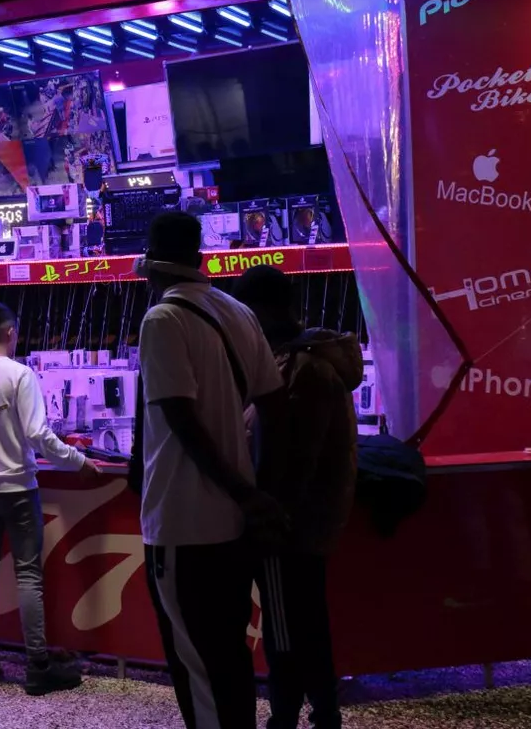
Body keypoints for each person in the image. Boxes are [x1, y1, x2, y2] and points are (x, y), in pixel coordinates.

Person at [132, 210, 286, 729]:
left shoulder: (162, 320)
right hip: (233, 530)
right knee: (228, 655)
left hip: (183, 523)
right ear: (199, 258)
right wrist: (255, 490)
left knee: (196, 663)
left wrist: (244, 491)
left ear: (153, 268)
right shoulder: (238, 312)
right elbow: (273, 405)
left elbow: (182, 421)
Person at [0, 301, 98, 694]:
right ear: (10, 332)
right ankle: (37, 666)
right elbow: (38, 435)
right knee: (28, 576)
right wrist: (77, 461)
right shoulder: (20, 375)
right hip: (18, 490)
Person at [232, 265, 361, 729]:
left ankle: (286, 718)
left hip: (289, 530)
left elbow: (294, 458)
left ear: (262, 312)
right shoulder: (302, 362)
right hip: (304, 525)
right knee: (306, 626)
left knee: (286, 631)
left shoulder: (302, 369)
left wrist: (270, 516)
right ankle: (323, 713)